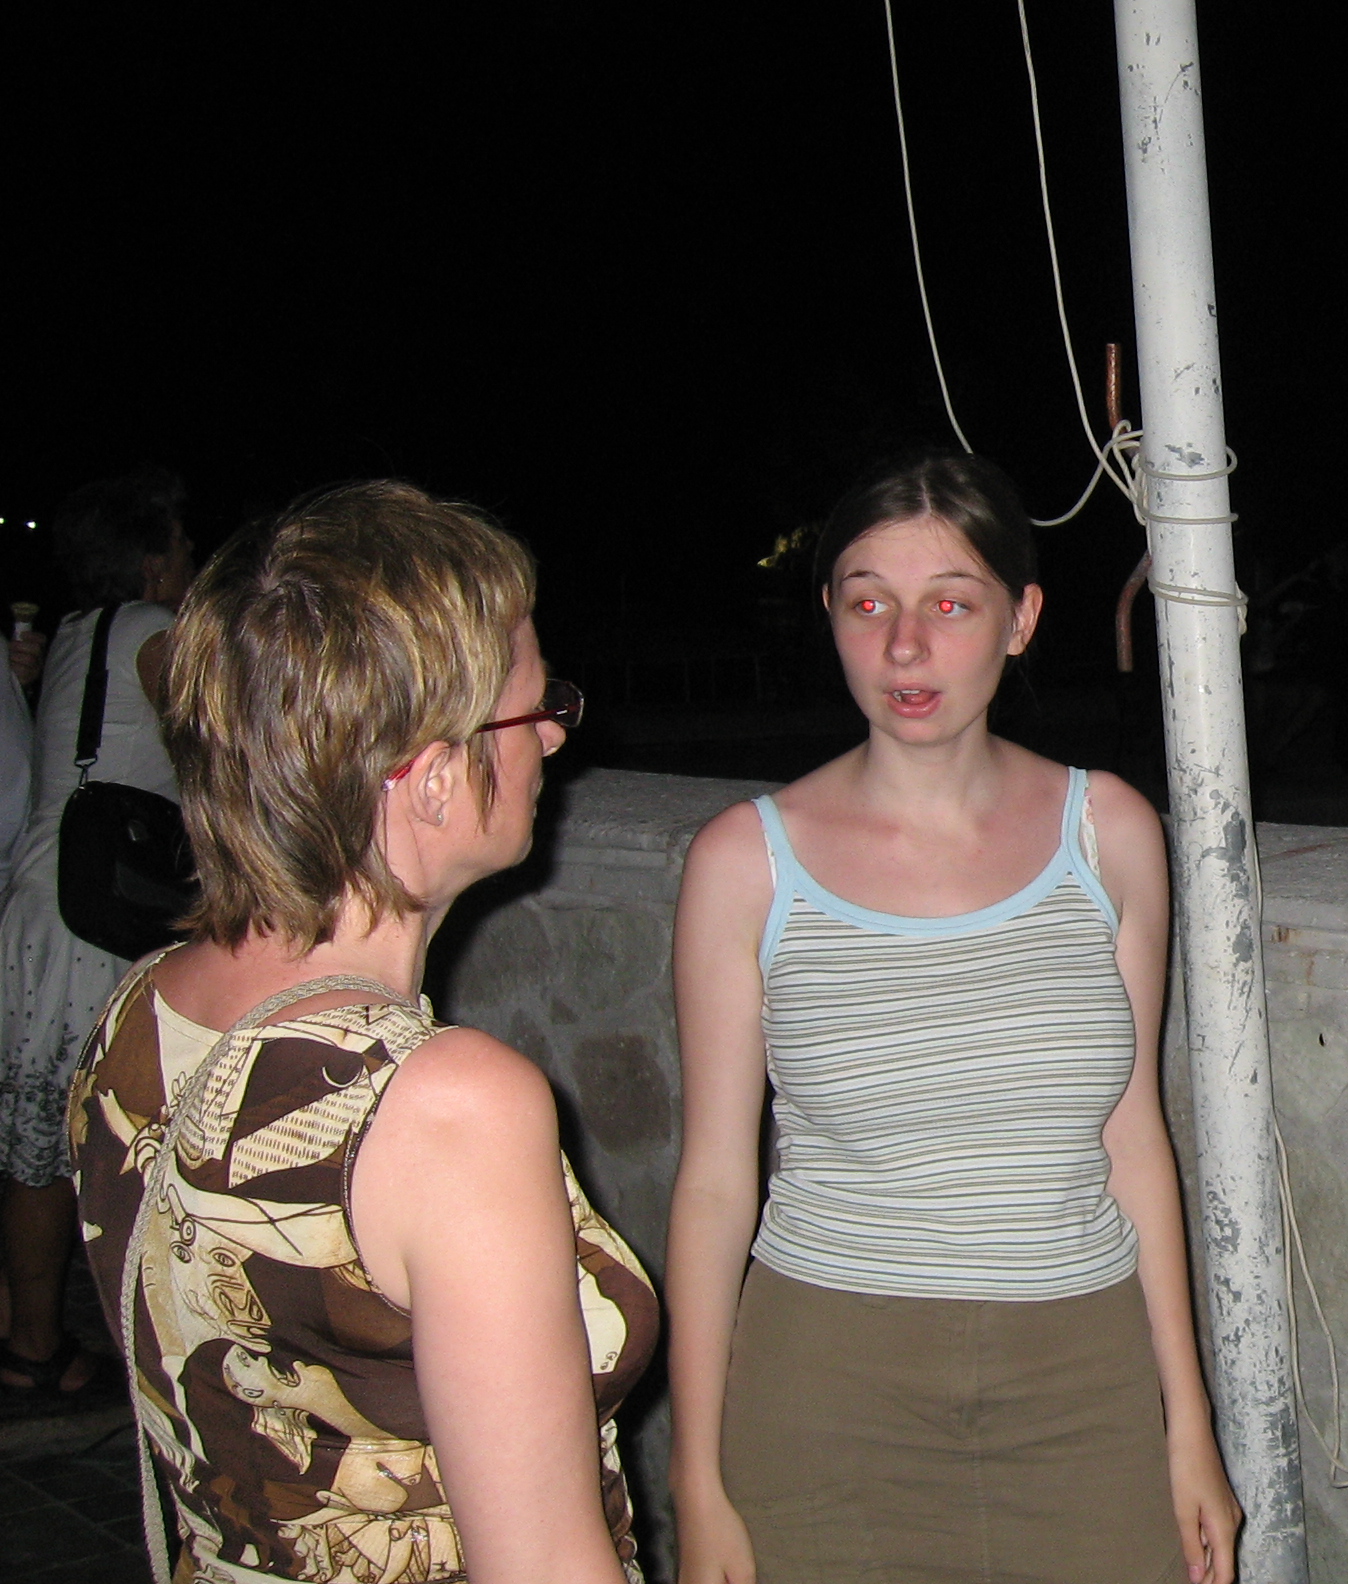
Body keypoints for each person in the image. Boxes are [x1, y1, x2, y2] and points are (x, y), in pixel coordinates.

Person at [668, 451, 1240, 1584]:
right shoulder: (746, 863)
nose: (904, 647)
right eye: (867, 603)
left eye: (950, 605)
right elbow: (716, 1184)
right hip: (827, 1382)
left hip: (1080, 1376)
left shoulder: (1109, 834)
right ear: (829, 616)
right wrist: (696, 1477)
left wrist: (1189, 1425)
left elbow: (1133, 1141)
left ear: (1020, 620)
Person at [67, 481, 654, 1582]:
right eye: (537, 710)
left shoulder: (142, 1009)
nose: (555, 738)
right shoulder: (443, 1107)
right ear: (430, 782)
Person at [0, 470, 193, 1401]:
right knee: (74, 1143)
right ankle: (39, 1345)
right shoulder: (153, 630)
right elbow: (226, 734)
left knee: (39, 1140)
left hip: (45, 903)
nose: (193, 564)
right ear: (152, 563)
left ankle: (32, 1336)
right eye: (184, 550)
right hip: (89, 914)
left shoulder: (80, 631)